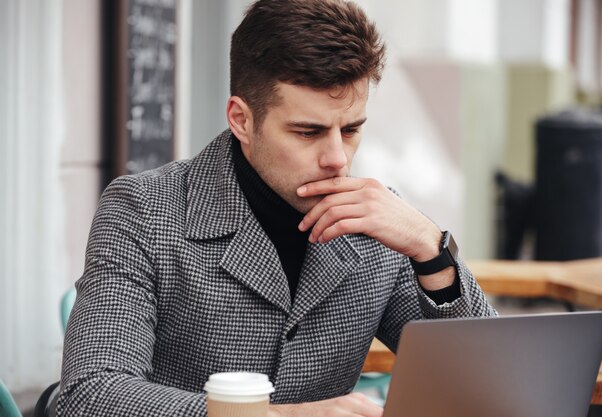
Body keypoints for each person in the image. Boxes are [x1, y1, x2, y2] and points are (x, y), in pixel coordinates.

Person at [58, 0, 496, 416]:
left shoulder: (379, 225)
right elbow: (90, 395)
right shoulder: (143, 210)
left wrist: (431, 247)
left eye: (351, 130)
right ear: (241, 120)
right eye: (308, 132)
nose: (337, 158)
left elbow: (486, 387)